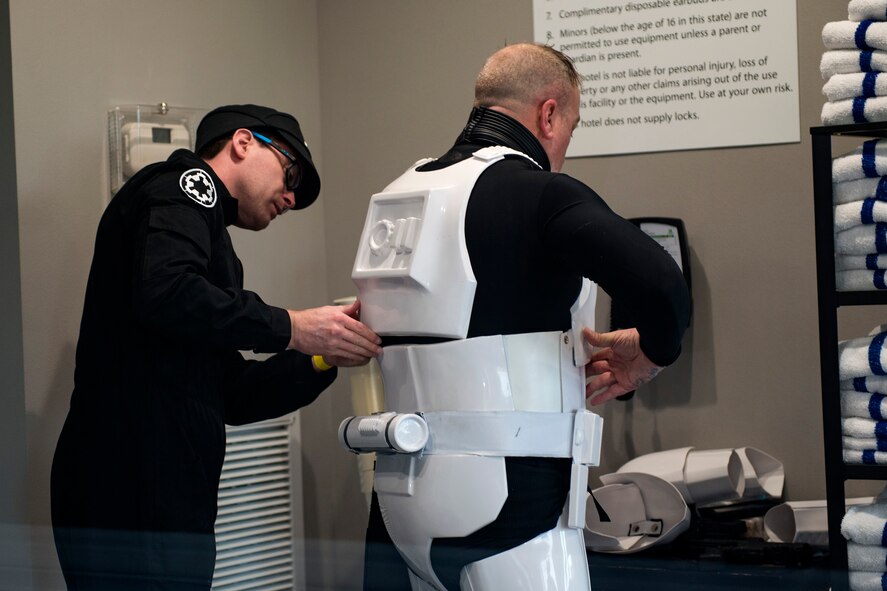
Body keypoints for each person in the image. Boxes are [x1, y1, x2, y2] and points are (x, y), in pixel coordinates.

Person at [356, 44, 691, 590]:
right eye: (571, 128)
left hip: (398, 504)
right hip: (512, 506)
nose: (564, 148)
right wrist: (649, 357)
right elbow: (663, 286)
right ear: (549, 114)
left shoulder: (396, 195)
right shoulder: (540, 195)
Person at [51, 104, 382, 591]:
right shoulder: (181, 187)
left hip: (164, 489)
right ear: (243, 143)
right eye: (290, 173)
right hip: (132, 483)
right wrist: (291, 326)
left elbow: (230, 392)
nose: (291, 197)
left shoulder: (211, 239)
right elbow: (166, 291)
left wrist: (321, 355)